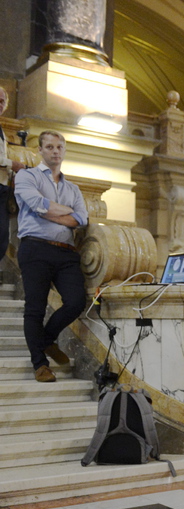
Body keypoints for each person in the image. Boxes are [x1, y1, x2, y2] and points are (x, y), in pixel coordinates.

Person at [13, 130, 88, 383]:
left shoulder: (73, 188)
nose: (55, 151)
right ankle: (40, 365)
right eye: (50, 147)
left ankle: (45, 340)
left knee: (76, 301)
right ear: (40, 150)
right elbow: (36, 203)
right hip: (35, 248)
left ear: (63, 151)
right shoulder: (26, 176)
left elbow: (82, 218)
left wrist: (50, 211)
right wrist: (67, 213)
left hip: (66, 253)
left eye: (59, 147)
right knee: (35, 307)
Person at [0, 87, 27, 267]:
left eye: (2, 101)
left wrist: (13, 174)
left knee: (2, 237)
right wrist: (13, 164)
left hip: (2, 188)